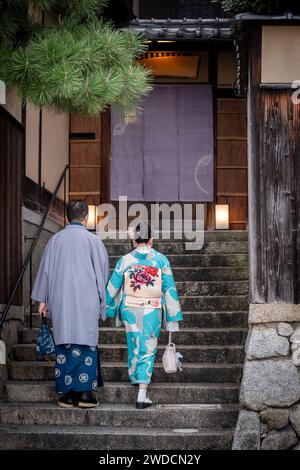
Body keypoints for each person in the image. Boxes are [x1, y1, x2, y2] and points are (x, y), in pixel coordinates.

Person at [31, 200, 109, 409]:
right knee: (86, 343)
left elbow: (45, 271)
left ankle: (66, 395)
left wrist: (43, 300)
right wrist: (103, 302)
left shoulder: (55, 241)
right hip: (87, 301)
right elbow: (102, 275)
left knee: (65, 343)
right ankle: (84, 395)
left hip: (61, 301)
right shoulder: (94, 241)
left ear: (66, 217)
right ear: (86, 218)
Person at [106, 222, 183, 409]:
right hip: (151, 308)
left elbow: (113, 286)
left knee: (134, 342)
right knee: (148, 347)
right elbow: (169, 289)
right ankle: (142, 394)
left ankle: (135, 376)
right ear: (151, 239)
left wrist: (108, 308)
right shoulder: (161, 260)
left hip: (129, 308)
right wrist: (172, 318)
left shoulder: (125, 260)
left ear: (133, 239)